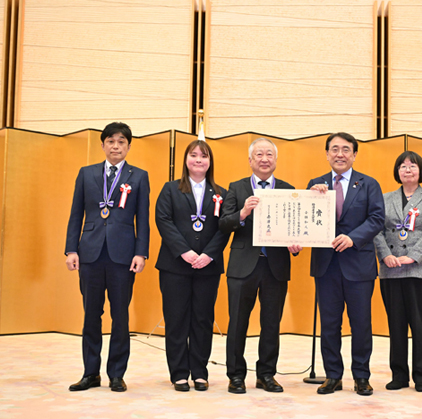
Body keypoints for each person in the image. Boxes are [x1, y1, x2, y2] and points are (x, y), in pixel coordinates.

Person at [65, 122, 150, 393]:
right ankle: (90, 373)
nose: (116, 146)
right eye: (111, 141)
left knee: (120, 316)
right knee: (91, 314)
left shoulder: (139, 176)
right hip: (90, 253)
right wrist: (71, 249)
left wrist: (141, 252)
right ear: (102, 145)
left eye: (121, 142)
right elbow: (76, 214)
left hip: (123, 256)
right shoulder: (87, 173)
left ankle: (116, 374)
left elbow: (143, 219)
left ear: (128, 146)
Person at [218, 137, 302, 394]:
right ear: (250, 160)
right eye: (259, 154)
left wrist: (296, 242)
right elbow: (223, 223)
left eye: (269, 154)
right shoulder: (237, 188)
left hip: (275, 267)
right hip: (243, 265)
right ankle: (236, 375)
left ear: (275, 159)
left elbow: (295, 226)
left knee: (271, 323)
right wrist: (243, 213)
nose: (264, 159)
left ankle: (266, 374)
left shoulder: (288, 189)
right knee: (237, 323)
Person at [308, 132, 385, 396]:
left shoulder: (369, 184)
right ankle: (333, 376)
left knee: (361, 324)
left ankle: (361, 376)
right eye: (334, 149)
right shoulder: (316, 184)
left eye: (345, 149)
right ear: (326, 153)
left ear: (354, 154)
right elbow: (307, 220)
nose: (339, 154)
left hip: (359, 265)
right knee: (329, 324)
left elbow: (377, 219)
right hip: (326, 265)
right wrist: (311, 198)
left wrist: (353, 238)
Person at [155, 140, 230, 392]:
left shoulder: (221, 193)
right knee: (176, 319)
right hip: (175, 265)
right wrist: (185, 252)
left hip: (207, 267)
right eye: (194, 155)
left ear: (210, 162)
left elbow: (224, 228)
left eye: (204, 156)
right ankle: (178, 373)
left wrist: (208, 254)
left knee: (202, 320)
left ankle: (199, 372)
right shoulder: (170, 189)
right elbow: (163, 220)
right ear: (186, 159)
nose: (198, 160)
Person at [374, 151, 422, 392]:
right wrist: (386, 255)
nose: (408, 170)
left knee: (421, 326)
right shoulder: (385, 198)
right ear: (397, 172)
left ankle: (421, 376)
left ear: (420, 170)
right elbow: (377, 229)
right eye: (402, 166)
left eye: (412, 165)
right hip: (391, 269)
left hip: (420, 270)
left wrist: (412, 256)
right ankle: (399, 375)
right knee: (396, 326)